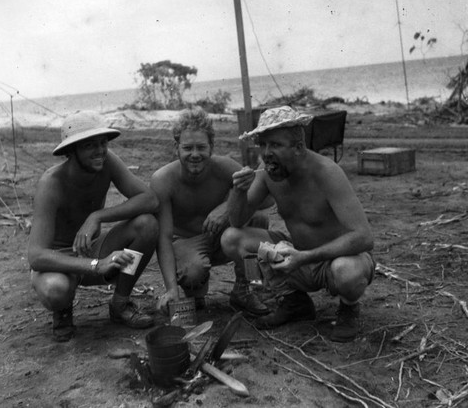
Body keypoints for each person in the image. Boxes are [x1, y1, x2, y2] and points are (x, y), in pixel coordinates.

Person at [222, 106, 375, 342]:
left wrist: (305, 257)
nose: (266, 153)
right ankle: (292, 301)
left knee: (347, 271)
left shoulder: (327, 173)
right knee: (232, 238)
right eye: (262, 145)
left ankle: (348, 308)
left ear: (299, 148)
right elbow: (236, 221)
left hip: (336, 260)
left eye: (275, 145)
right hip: (298, 258)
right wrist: (238, 191)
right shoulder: (268, 177)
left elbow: (364, 237)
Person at [28, 110, 159, 342]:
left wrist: (97, 216)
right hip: (59, 262)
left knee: (146, 225)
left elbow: (149, 199)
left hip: (93, 248)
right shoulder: (51, 184)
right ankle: (63, 310)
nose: (99, 150)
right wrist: (96, 265)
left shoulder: (107, 162)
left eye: (102, 143)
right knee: (55, 290)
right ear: (72, 151)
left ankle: (120, 303)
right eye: (89, 145)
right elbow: (36, 256)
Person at [150, 108, 271, 317]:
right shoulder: (163, 180)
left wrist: (226, 207)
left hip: (220, 238)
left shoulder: (224, 167)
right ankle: (194, 292)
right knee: (193, 274)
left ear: (211, 147)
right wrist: (171, 288)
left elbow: (263, 199)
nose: (195, 154)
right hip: (186, 243)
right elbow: (164, 237)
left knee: (258, 220)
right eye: (188, 148)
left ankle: (247, 287)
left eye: (201, 147)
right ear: (176, 148)